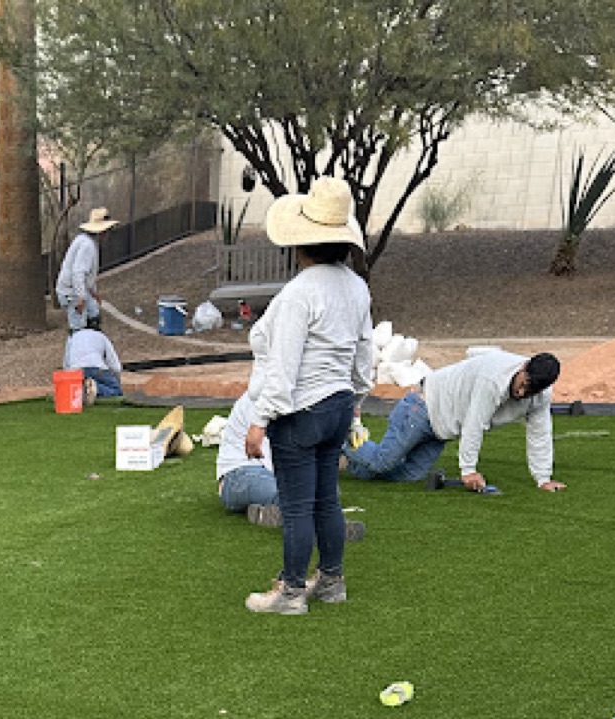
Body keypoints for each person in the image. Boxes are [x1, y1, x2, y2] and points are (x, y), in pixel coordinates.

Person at [239, 177, 374, 616]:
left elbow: (283, 365)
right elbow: (363, 352)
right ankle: (331, 580)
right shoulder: (356, 287)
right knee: (326, 498)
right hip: (337, 405)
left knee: (297, 505)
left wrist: (260, 420)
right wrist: (355, 402)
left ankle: (291, 592)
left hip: (301, 410)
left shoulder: (299, 293)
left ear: (302, 241)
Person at [342, 349, 566, 491]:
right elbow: (474, 423)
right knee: (383, 461)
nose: (521, 393)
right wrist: (468, 470)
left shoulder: (540, 397)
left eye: (530, 391)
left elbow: (540, 434)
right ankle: (339, 439)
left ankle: (344, 461)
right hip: (420, 407)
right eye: (523, 384)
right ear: (523, 367)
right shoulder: (493, 379)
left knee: (409, 475)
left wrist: (543, 479)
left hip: (441, 430)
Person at [218, 393, 367, 538]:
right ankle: (327, 528)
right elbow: (276, 459)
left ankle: (266, 513)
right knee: (293, 492)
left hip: (272, 471)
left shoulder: (300, 401)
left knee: (329, 490)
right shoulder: (265, 401)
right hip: (237, 476)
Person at [55, 208, 118, 332]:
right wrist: (81, 297)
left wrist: (93, 292)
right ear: (102, 232)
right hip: (71, 291)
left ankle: (92, 345)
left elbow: (87, 275)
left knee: (93, 315)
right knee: (79, 329)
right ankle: (77, 349)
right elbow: (78, 272)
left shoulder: (87, 241)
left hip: (77, 290)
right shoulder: (87, 246)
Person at [62, 324, 124, 398]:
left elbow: (66, 364)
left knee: (83, 384)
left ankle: (83, 389)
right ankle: (95, 389)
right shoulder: (101, 336)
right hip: (97, 368)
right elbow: (114, 363)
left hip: (77, 371)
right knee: (116, 390)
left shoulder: (72, 337)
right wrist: (116, 378)